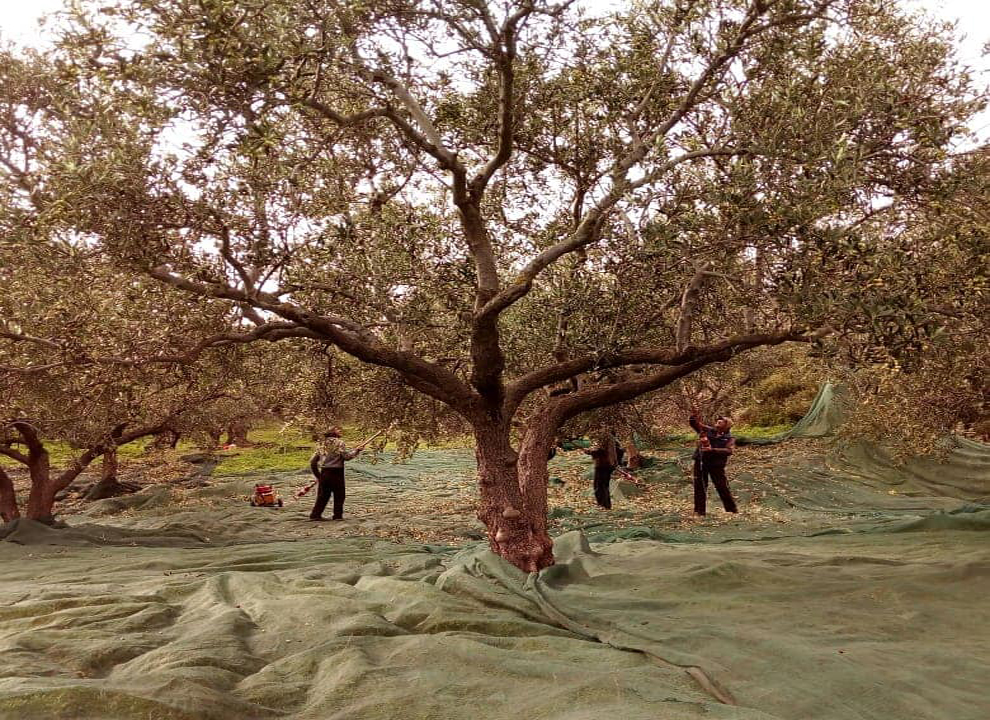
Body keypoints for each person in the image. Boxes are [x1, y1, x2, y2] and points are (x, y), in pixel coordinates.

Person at [689, 405, 738, 516]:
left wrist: (712, 450)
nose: (719, 421)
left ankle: (732, 510)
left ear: (727, 426)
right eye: (718, 420)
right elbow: (695, 424)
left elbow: (729, 451)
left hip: (716, 465)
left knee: (722, 487)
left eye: (722, 421)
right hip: (701, 462)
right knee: (700, 486)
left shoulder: (730, 438)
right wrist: (693, 415)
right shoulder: (708, 430)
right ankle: (700, 512)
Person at [308, 427, 363, 521]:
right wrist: (357, 450)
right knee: (339, 495)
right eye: (338, 430)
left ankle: (315, 515)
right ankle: (337, 516)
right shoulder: (339, 443)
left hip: (324, 472)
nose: (340, 431)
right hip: (337, 473)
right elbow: (346, 457)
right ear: (332, 432)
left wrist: (319, 476)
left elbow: (313, 462)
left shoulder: (321, 444)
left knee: (323, 496)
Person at [584, 435, 620, 510]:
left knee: (599, 486)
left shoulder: (603, 436)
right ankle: (606, 505)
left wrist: (589, 451)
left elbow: (600, 451)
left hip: (602, 464)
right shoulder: (609, 436)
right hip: (609, 464)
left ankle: (602, 505)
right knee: (604, 486)